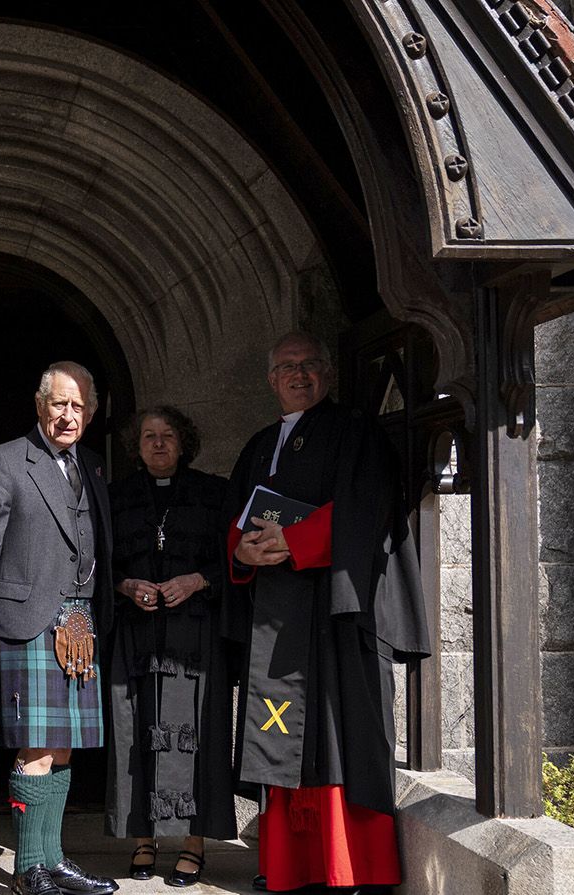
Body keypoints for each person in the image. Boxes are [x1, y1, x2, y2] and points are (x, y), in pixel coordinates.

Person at [224, 332, 429, 893]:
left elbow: (369, 504)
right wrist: (240, 551)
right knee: (281, 739)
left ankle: (348, 868)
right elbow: (235, 519)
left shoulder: (355, 430)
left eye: (310, 365)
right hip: (278, 617)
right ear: (271, 380)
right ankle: (289, 867)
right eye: (287, 367)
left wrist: (297, 542)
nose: (299, 374)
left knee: (341, 741)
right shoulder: (260, 443)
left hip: (338, 612)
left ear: (328, 374)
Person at [0, 361, 119, 895]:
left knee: (64, 745)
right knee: (36, 747)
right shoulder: (5, 460)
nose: (68, 415)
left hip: (80, 622)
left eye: (78, 406)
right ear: (40, 405)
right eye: (59, 404)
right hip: (25, 622)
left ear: (90, 414)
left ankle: (54, 859)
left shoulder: (92, 466)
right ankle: (29, 869)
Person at [104, 406, 234, 888]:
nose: (158, 444)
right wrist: (124, 585)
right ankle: (144, 839)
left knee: (196, 735)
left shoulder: (214, 494)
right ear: (136, 447)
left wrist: (197, 580)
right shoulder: (116, 498)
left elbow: (236, 563)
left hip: (195, 634)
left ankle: (192, 844)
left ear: (184, 442)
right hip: (136, 633)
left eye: (168, 436)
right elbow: (96, 561)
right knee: (136, 731)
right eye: (148, 437)